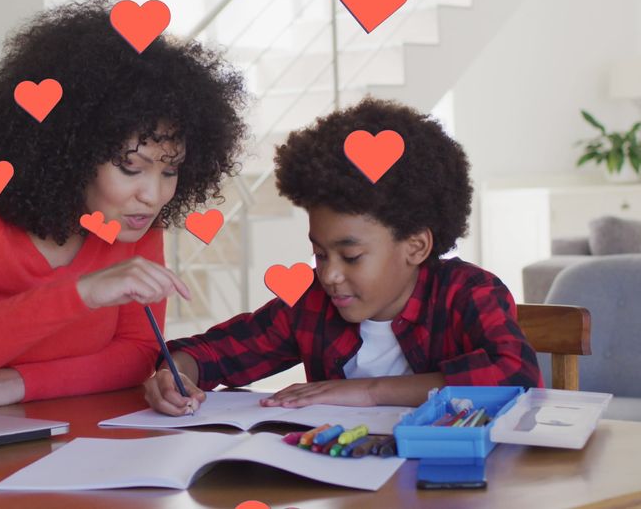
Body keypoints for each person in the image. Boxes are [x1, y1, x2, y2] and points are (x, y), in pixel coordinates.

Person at [0, 0, 248, 418]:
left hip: (55, 432)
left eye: (170, 171)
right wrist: (84, 292)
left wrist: (19, 384)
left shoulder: (136, 220)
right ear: (72, 151)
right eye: (130, 167)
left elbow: (136, 355)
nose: (153, 196)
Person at [144, 97, 543, 416]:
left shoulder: (469, 293)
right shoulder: (311, 304)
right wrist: (176, 373)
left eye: (350, 256)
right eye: (320, 253)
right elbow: (215, 352)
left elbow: (516, 376)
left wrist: (369, 392)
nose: (329, 274)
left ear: (416, 246)